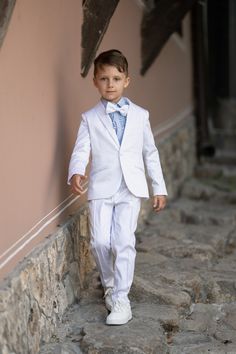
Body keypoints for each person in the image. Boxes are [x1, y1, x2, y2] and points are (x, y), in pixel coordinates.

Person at [68, 49, 167, 325]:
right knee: (100, 241)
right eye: (104, 78)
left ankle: (121, 298)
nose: (110, 84)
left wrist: (159, 187)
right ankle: (109, 283)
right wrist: (76, 171)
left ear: (127, 81)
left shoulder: (140, 115)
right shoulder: (90, 117)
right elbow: (81, 149)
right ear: (95, 82)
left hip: (130, 188)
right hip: (101, 186)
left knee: (124, 241)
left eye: (116, 78)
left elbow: (150, 152)